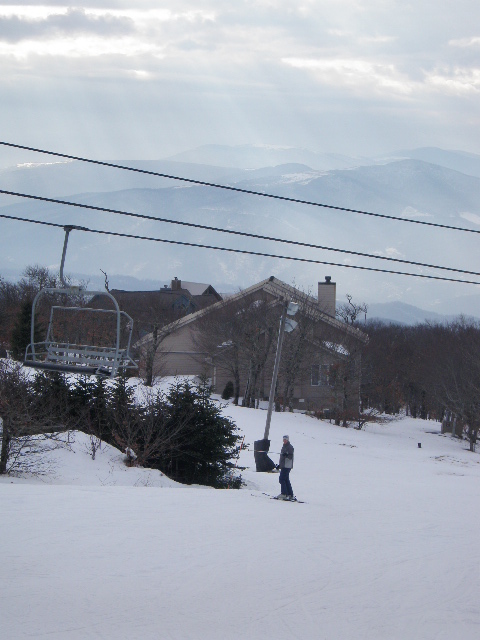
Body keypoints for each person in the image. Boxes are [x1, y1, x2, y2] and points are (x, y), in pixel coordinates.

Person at [277, 435, 294, 500]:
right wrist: (279, 465)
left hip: (287, 466)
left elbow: (290, 457)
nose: (284, 441)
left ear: (288, 440)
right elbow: (282, 457)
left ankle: (284, 493)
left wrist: (286, 455)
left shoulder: (290, 447)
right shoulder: (284, 447)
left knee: (281, 479)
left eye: (285, 440)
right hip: (284, 465)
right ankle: (290, 494)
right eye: (283, 439)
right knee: (286, 479)